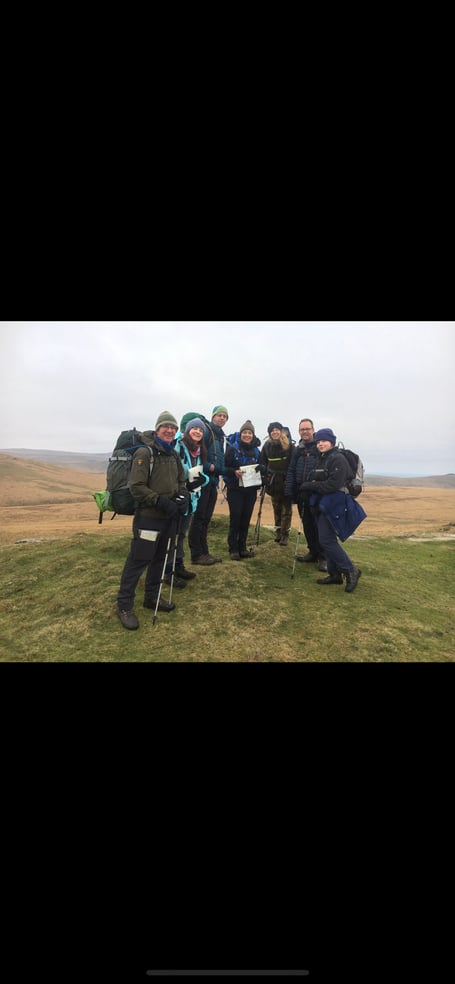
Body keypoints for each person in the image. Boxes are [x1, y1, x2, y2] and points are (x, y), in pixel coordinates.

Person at [116, 412, 189, 629]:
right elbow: (136, 487)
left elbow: (181, 481)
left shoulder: (173, 454)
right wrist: (160, 501)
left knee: (159, 559)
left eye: (173, 428)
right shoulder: (144, 453)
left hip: (169, 518)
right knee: (138, 561)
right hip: (149, 518)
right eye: (165, 427)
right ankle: (124, 606)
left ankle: (152, 597)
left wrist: (183, 496)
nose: (170, 430)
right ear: (157, 429)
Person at [298, 428, 362, 593]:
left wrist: (310, 486)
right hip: (323, 504)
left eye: (324, 441)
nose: (320, 444)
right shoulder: (323, 458)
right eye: (318, 441)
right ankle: (335, 574)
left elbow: (333, 485)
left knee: (326, 540)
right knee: (325, 539)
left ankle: (350, 570)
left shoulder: (338, 459)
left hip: (334, 504)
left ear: (331, 442)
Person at [170, 418, 210, 586]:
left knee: (180, 535)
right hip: (178, 498)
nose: (197, 432)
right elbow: (173, 473)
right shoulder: (178, 447)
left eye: (200, 430)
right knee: (172, 536)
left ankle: (178, 566)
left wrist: (204, 480)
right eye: (194, 428)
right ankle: (167, 571)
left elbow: (202, 473)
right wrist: (187, 485)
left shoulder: (199, 450)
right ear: (187, 430)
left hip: (190, 499)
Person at [188, 405, 229, 566]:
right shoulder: (206, 431)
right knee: (199, 518)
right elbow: (197, 454)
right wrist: (209, 467)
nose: (222, 418)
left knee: (206, 518)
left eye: (225, 416)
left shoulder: (219, 436)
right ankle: (196, 554)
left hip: (212, 481)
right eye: (219, 415)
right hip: (203, 480)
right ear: (213, 417)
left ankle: (204, 552)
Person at [285, 418, 327, 571]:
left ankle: (324, 557)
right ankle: (313, 552)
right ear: (299, 432)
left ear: (313, 430)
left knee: (319, 526)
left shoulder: (320, 448)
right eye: (302, 429)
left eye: (307, 429)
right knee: (307, 524)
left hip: (317, 493)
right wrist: (289, 492)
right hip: (301, 493)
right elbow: (291, 470)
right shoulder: (298, 450)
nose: (305, 432)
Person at [223, 420, 262, 560]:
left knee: (246, 518)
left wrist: (261, 471)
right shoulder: (232, 448)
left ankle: (242, 547)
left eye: (249, 432)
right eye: (244, 432)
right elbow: (225, 468)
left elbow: (261, 468)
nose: (247, 435)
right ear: (240, 434)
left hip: (250, 490)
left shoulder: (257, 451)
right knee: (236, 518)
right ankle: (233, 549)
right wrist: (234, 472)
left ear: (253, 434)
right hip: (235, 489)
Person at [260, 422, 293, 545]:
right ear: (269, 433)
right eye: (272, 430)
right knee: (276, 509)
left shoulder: (289, 446)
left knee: (286, 511)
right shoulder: (267, 446)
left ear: (281, 431)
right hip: (273, 483)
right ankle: (278, 533)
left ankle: (285, 535)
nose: (274, 432)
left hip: (286, 482)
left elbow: (292, 466)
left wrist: (290, 482)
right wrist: (265, 476)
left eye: (277, 430)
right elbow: (262, 462)